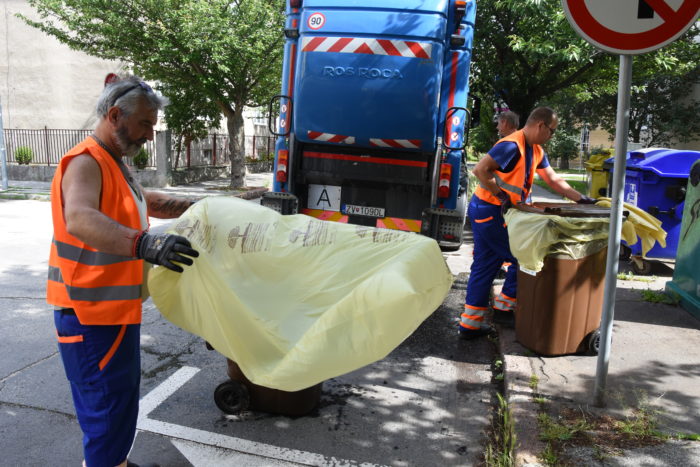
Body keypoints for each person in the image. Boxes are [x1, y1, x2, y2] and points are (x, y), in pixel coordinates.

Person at [47, 75, 200, 467]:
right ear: (115, 115)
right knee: (106, 411)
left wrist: (207, 206)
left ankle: (115, 462)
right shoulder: (85, 161)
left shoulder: (114, 164)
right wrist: (146, 245)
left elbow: (149, 202)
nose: (150, 134)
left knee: (117, 405)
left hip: (109, 311)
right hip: (88, 314)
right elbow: (80, 217)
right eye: (146, 124)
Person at [459, 106, 595, 339]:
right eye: (551, 131)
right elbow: (481, 170)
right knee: (524, 256)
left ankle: (470, 325)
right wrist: (503, 197)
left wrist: (582, 199)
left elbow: (552, 179)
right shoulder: (512, 145)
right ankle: (503, 308)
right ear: (541, 125)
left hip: (488, 210)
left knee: (486, 265)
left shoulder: (536, 150)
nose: (551, 136)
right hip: (491, 211)